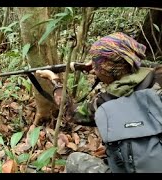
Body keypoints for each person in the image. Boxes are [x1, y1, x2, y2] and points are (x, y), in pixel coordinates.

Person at [37, 32, 162, 173]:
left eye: (97, 65)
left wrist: (54, 80)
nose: (94, 69)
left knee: (75, 160)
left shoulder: (109, 101)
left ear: (107, 69)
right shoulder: (157, 76)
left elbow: (71, 112)